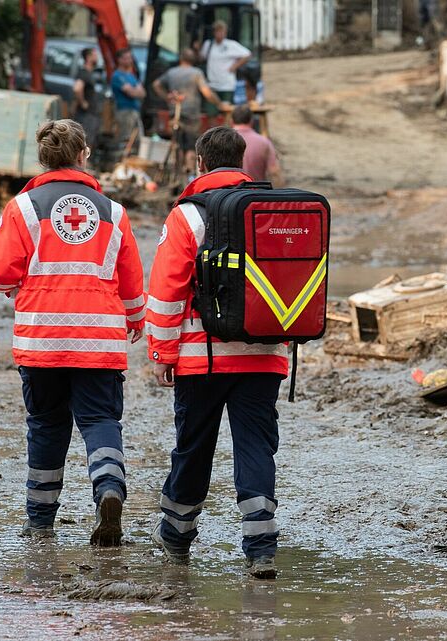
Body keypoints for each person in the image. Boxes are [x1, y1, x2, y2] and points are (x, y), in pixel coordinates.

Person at [0, 119, 145, 546]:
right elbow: (130, 281)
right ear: (83, 155)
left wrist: (15, 287)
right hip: (99, 341)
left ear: (44, 158)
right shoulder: (113, 213)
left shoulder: (23, 208)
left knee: (47, 426)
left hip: (41, 340)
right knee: (101, 420)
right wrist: (136, 318)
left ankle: (40, 521)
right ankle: (108, 489)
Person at [146, 127, 287, 578]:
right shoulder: (270, 209)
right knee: (255, 449)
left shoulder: (187, 216)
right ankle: (261, 545)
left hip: (201, 359)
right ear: (243, 162)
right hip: (264, 357)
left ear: (200, 163)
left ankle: (176, 536)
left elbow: (167, 290)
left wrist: (162, 352)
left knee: (193, 448)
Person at [152, 49, 226, 171]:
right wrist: (219, 103)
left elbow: (156, 85)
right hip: (192, 115)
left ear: (181, 59)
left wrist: (167, 97)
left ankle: (177, 172)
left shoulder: (171, 72)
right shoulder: (196, 73)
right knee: (192, 146)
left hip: (175, 113)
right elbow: (206, 92)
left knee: (178, 144)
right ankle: (190, 173)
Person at [199, 21, 251, 106]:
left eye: (222, 31)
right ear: (214, 32)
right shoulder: (208, 45)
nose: (220, 34)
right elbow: (201, 58)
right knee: (211, 111)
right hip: (212, 85)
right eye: (218, 31)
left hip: (227, 85)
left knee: (227, 109)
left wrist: (235, 66)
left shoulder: (231, 45)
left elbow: (247, 54)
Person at [232, 105, 283, 187]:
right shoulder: (264, 142)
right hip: (256, 194)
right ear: (251, 121)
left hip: (228, 195)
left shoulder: (222, 141)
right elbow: (274, 172)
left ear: (232, 121)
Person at [110, 48, 145, 154]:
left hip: (135, 111)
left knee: (138, 140)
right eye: (126, 58)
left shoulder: (131, 76)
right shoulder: (117, 76)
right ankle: (121, 163)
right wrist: (135, 91)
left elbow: (143, 93)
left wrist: (135, 91)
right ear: (120, 60)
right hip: (124, 112)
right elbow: (131, 93)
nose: (129, 61)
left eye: (130, 58)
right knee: (125, 139)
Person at [72, 48, 101, 157]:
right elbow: (77, 88)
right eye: (95, 55)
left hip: (90, 114)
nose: (97, 57)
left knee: (87, 141)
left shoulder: (89, 73)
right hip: (86, 115)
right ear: (88, 57)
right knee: (84, 142)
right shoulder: (84, 73)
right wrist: (83, 102)